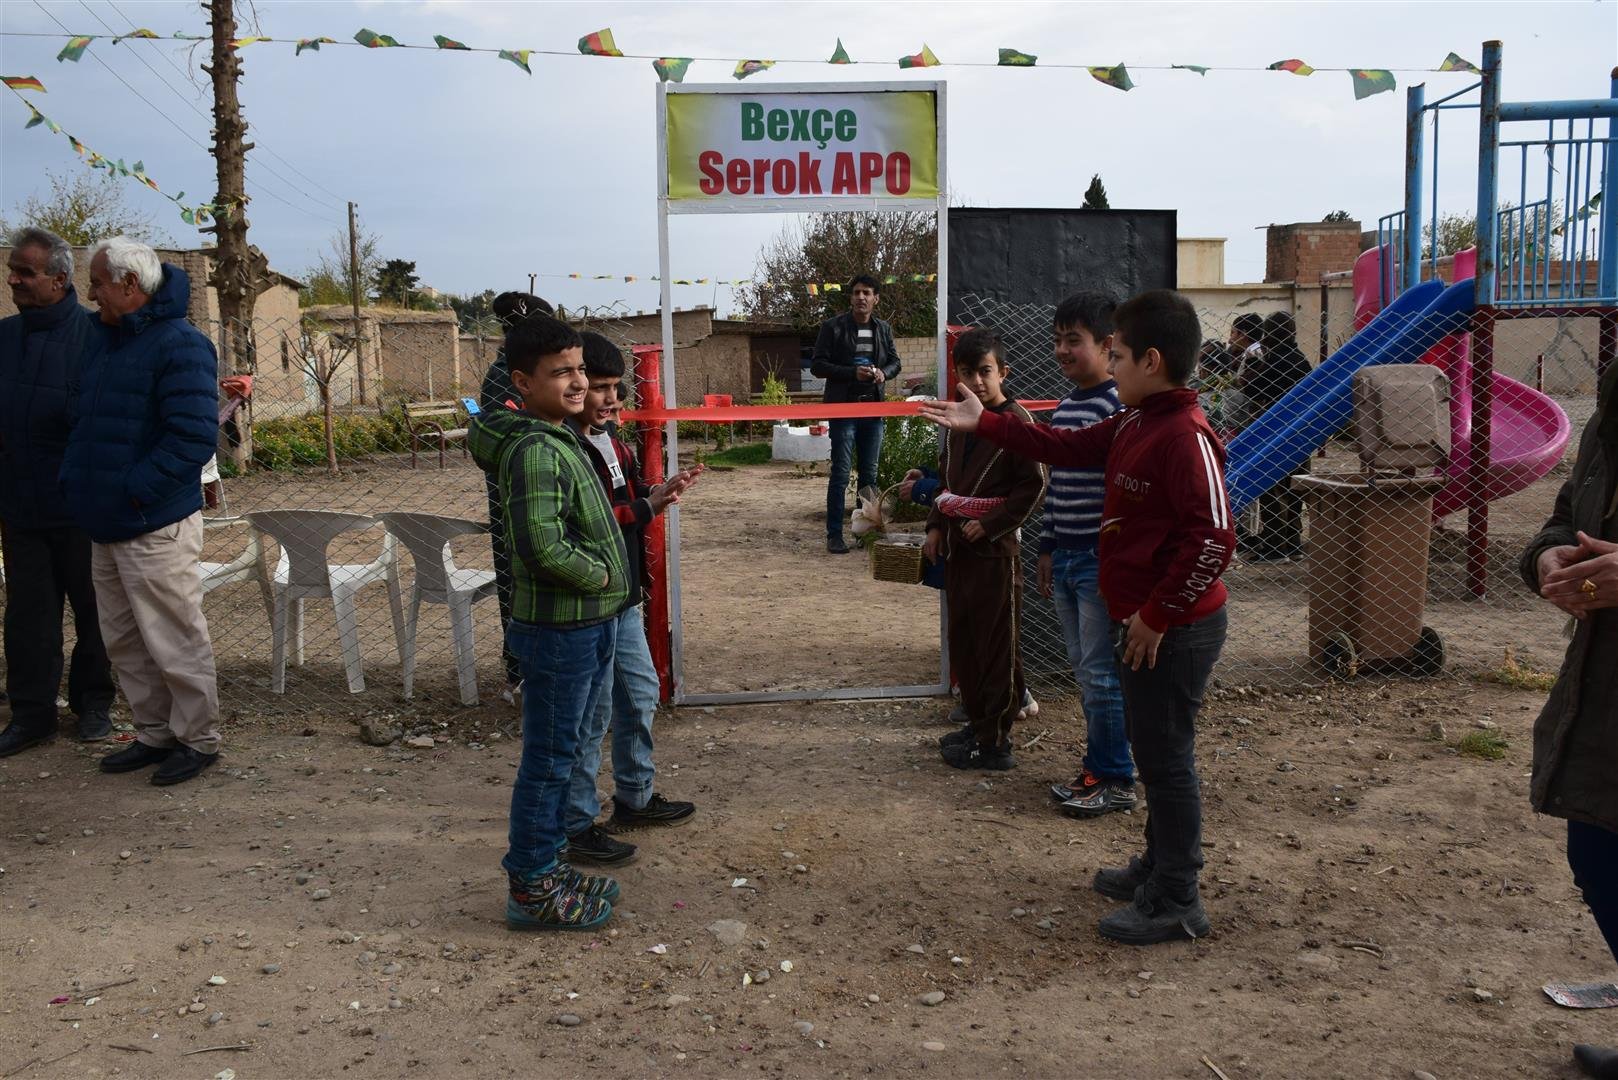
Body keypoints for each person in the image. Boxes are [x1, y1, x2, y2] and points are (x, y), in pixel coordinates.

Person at [921, 289, 1234, 945]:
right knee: (1154, 753)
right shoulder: (1132, 422)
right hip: (1146, 623)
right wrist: (987, 423)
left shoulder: (1184, 435)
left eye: (1116, 355)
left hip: (1171, 630)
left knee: (1168, 761)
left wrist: (1155, 615)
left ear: (1151, 360)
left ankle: (1178, 897)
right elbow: (1060, 449)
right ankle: (1157, 867)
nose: (1110, 366)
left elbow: (1216, 540)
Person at [467, 313, 629, 932]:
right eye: (560, 372)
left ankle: (550, 869)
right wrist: (604, 577)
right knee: (550, 759)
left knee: (565, 752)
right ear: (522, 382)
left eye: (580, 369)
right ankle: (531, 887)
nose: (578, 382)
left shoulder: (555, 435)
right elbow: (540, 545)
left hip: (584, 625)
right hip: (561, 631)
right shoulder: (536, 447)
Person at [61, 237, 221, 786]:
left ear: (130, 285)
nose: (91, 292)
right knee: (125, 640)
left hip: (153, 521)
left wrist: (132, 490)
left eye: (99, 282)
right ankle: (154, 733)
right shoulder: (104, 341)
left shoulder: (181, 344)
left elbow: (193, 438)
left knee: (174, 638)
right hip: (106, 520)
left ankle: (197, 740)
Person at [562, 332, 701, 865]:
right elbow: (593, 522)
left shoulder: (611, 441)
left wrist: (657, 495)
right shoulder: (567, 448)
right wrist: (647, 507)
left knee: (640, 693)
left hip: (621, 597)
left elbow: (625, 504)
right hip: (593, 600)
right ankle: (576, 823)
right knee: (591, 716)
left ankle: (634, 797)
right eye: (599, 388)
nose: (611, 399)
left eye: (617, 387)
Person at [1520, 359, 1618, 1079]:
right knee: (1600, 859)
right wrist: (1549, 557)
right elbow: (1566, 514)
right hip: (1604, 693)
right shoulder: (1612, 405)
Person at [0, 227, 116, 756]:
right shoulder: (3, 339)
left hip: (81, 510)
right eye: (14, 270)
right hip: (21, 508)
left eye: (25, 272)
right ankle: (32, 715)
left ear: (59, 280)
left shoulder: (97, 339)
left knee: (94, 613)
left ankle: (93, 705)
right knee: (27, 619)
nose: (14, 279)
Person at [923, 328, 1048, 771]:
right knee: (966, 641)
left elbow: (1033, 486)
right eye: (968, 372)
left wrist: (991, 525)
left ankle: (995, 740)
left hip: (995, 556)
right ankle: (978, 725)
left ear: (1003, 373)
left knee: (996, 646)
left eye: (986, 372)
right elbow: (946, 478)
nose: (977, 381)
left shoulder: (1016, 423)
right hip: (959, 550)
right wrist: (936, 525)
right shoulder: (960, 421)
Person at [1038, 293, 1133, 818]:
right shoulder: (1068, 406)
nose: (1061, 350)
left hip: (1099, 561)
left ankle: (1115, 777)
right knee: (1085, 669)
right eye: (1057, 340)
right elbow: (1057, 485)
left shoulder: (1116, 405)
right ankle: (1099, 767)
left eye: (1073, 340)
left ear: (1108, 344)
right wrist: (1049, 545)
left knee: (1100, 674)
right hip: (1069, 559)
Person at [478, 291, 555, 704]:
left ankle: (537, 669)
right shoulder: (503, 377)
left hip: (542, 496)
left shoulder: (532, 370)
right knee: (516, 581)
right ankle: (522, 673)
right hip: (514, 500)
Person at [811, 274, 902, 554]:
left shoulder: (883, 329)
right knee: (840, 472)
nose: (861, 297)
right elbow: (818, 365)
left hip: (873, 409)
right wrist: (852, 372)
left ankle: (866, 534)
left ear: (876, 299)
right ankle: (834, 535)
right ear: (850, 298)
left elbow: (896, 362)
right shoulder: (833, 327)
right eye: (857, 292)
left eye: (867, 293)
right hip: (843, 407)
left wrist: (881, 373)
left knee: (870, 475)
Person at [1238, 312, 1314, 562]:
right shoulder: (1299, 359)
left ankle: (1274, 543)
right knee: (1293, 487)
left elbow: (1249, 387)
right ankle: (1291, 540)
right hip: (1299, 433)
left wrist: (1250, 363)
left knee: (1269, 486)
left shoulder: (1275, 360)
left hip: (1272, 434)